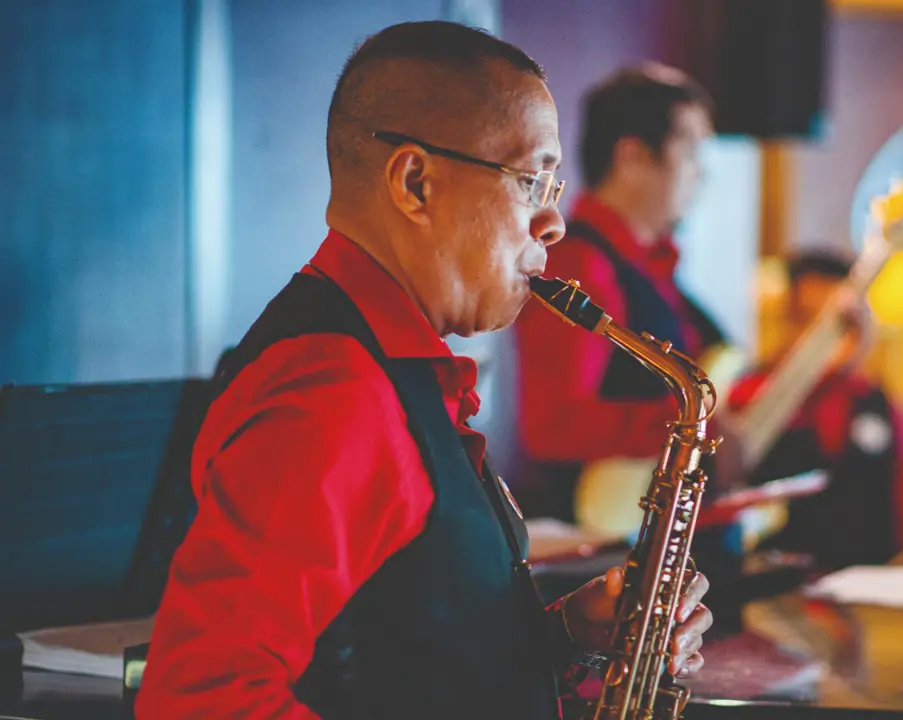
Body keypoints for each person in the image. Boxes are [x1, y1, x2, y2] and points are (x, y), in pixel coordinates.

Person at [136, 22, 712, 719]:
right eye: (532, 180)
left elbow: (401, 658)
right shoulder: (331, 392)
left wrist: (564, 635)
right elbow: (199, 699)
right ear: (415, 182)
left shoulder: (386, 368)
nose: (554, 220)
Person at [512, 63, 737, 523]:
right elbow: (553, 425)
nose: (703, 175)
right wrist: (691, 426)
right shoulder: (580, 264)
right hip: (604, 548)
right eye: (691, 153)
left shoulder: (650, 266)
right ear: (632, 157)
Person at [728, 249, 903, 568]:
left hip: (864, 584)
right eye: (807, 319)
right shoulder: (748, 395)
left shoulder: (879, 404)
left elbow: (902, 495)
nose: (824, 341)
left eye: (838, 325)